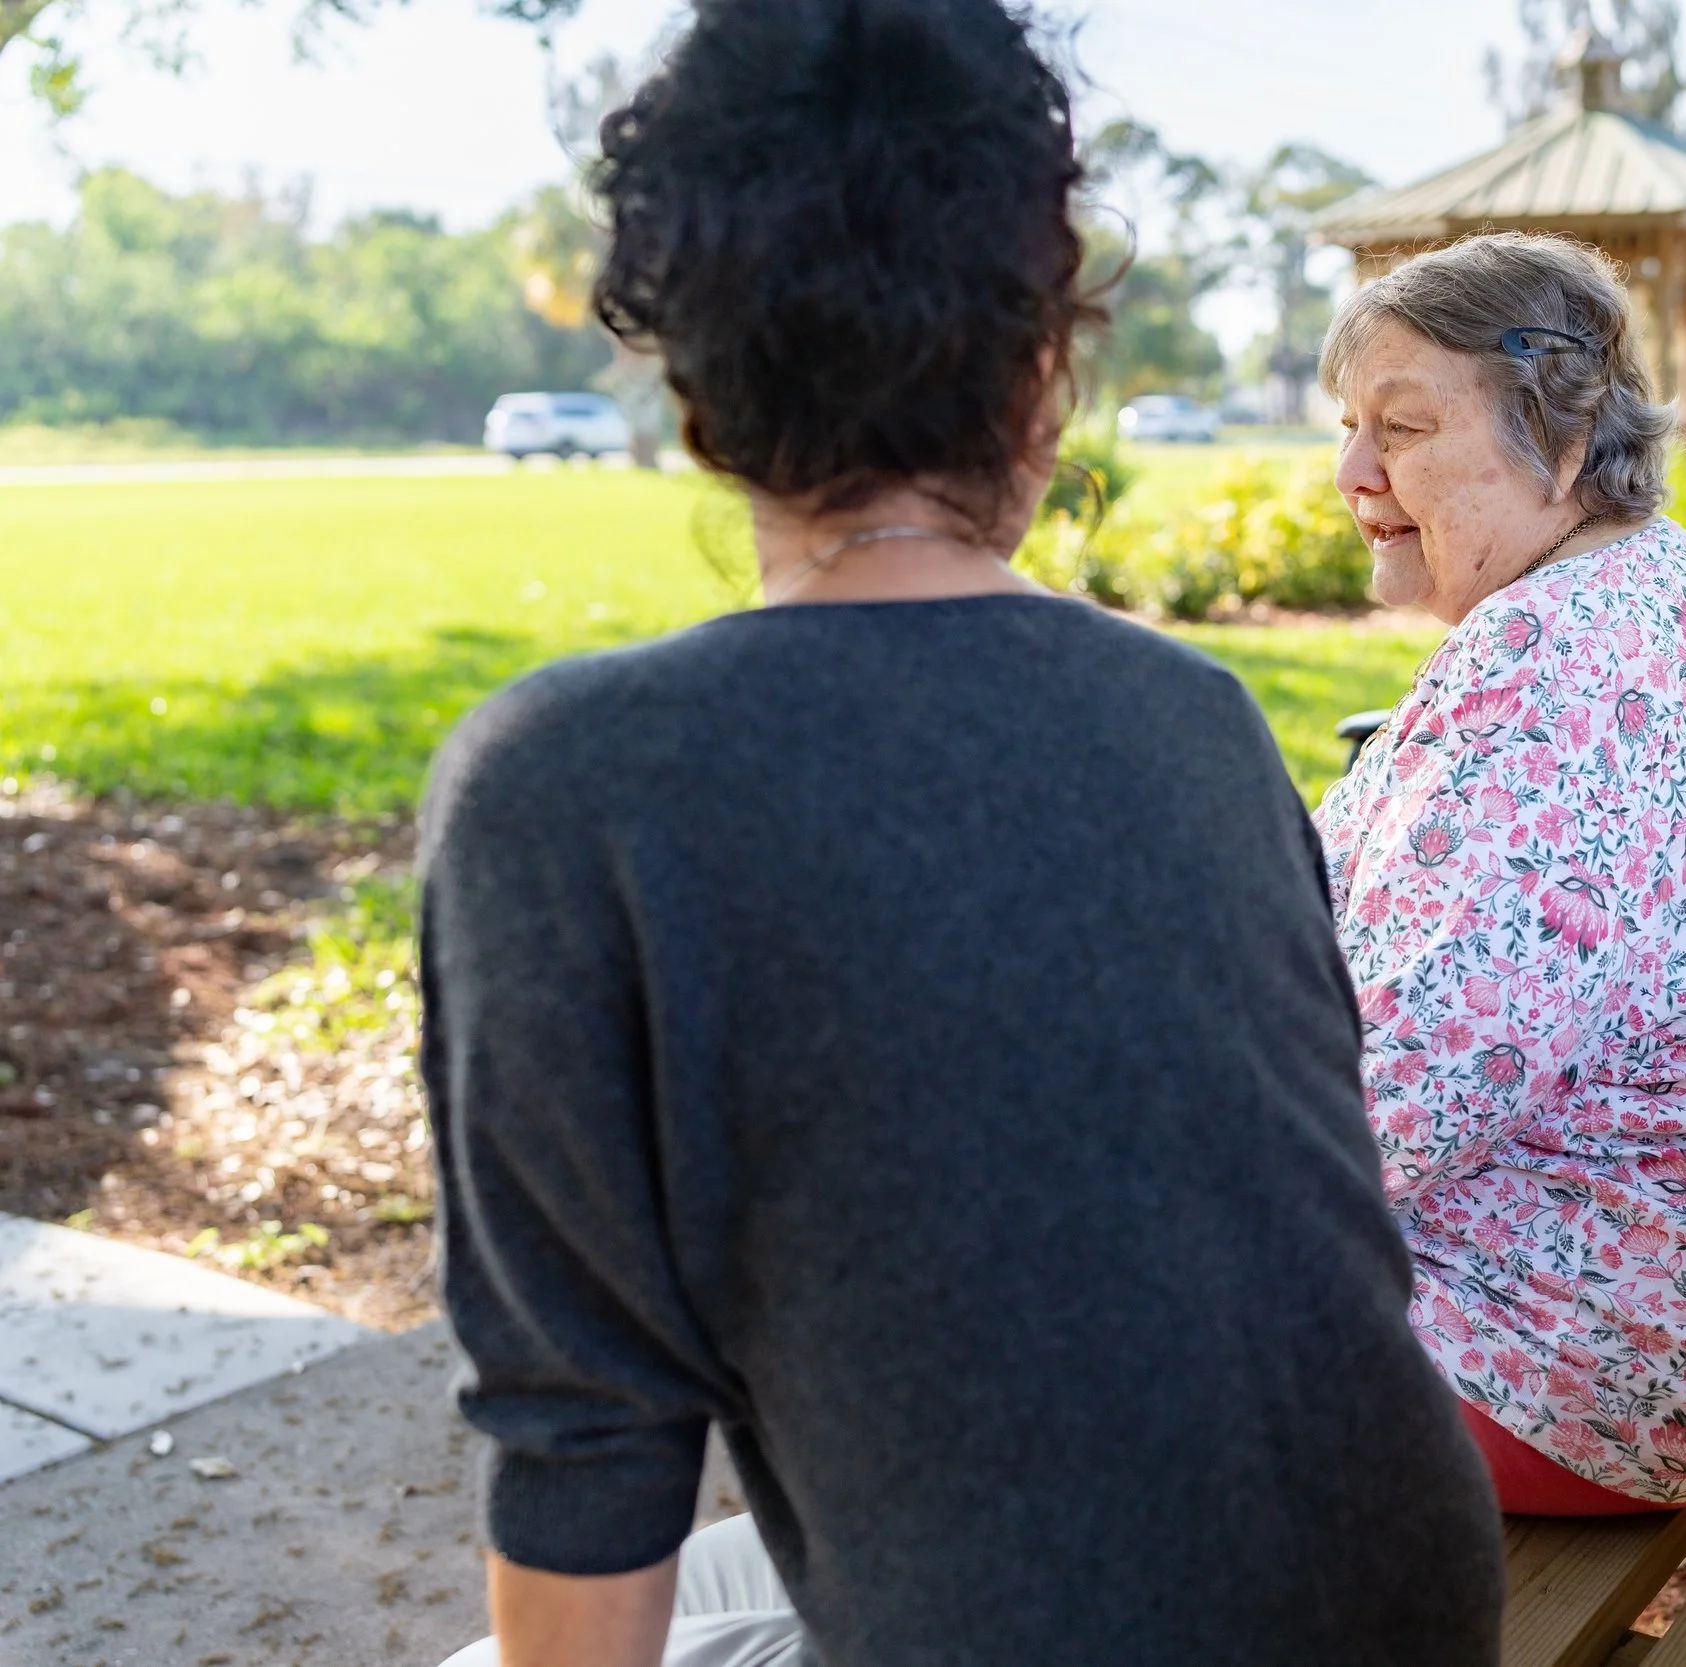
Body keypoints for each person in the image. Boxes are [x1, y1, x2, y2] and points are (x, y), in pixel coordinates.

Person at [422, 3, 1505, 1663]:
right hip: (1408, 1606)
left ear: (693, 380)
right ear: (1040, 363)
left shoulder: (564, 785)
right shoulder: (1197, 719)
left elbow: (587, 1436)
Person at [1313, 232, 1686, 1517]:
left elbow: (1385, 1104)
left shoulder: (1550, 672)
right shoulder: (1649, 581)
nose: (1354, 472)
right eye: (1350, 425)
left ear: (1569, 439)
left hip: (1575, 1370)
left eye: (1405, 427)